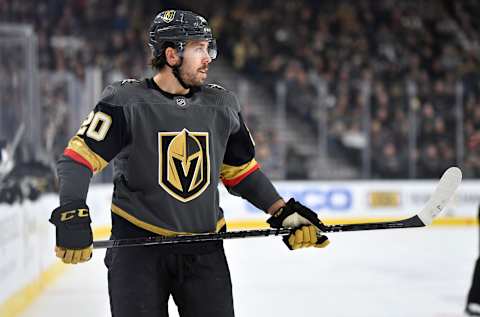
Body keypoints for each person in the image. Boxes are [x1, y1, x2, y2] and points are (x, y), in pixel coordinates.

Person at [49, 10, 329, 317]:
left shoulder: (222, 104)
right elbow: (77, 159)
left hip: (204, 249)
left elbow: (241, 171)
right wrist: (71, 212)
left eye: (209, 48)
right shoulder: (126, 101)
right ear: (171, 54)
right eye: (199, 49)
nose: (208, 58)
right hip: (138, 251)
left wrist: (282, 211)